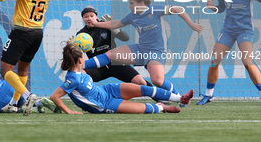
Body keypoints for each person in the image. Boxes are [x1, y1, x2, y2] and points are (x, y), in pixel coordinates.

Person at [82, 0, 203, 104]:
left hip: (156, 51)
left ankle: (180, 98)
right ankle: (81, 66)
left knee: (157, 81)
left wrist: (192, 24)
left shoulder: (154, 10)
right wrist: (97, 23)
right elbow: (116, 23)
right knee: (110, 55)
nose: (129, 6)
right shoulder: (132, 15)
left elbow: (178, 9)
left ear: (141, 3)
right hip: (140, 49)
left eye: (131, 3)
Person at [50, 39, 194, 114]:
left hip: (107, 90)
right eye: (83, 56)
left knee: (144, 88)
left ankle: (181, 98)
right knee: (144, 108)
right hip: (104, 105)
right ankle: (162, 108)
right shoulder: (72, 79)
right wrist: (69, 111)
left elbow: (100, 59)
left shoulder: (80, 71)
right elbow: (54, 96)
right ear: (80, 60)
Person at [197, 0, 261, 105]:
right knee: (214, 62)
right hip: (228, 31)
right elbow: (220, 9)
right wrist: (212, 7)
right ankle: (209, 95)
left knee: (247, 63)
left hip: (245, 30)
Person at [77, 6, 152, 86]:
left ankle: (161, 97)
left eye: (92, 16)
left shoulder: (106, 25)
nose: (89, 18)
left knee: (140, 82)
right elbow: (78, 55)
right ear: (83, 19)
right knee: (78, 75)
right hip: (98, 67)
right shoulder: (81, 34)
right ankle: (88, 97)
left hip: (116, 63)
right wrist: (74, 47)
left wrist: (114, 28)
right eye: (86, 17)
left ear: (96, 16)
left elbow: (125, 38)